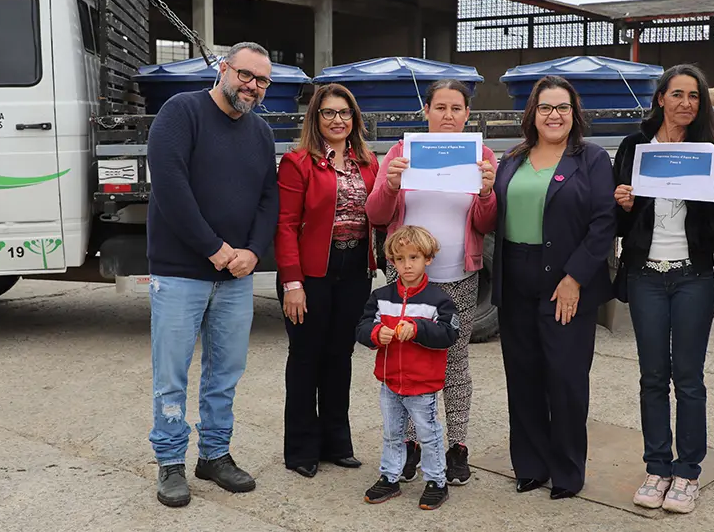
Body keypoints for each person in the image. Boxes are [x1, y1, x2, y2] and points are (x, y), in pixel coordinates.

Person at [146, 41, 278, 508]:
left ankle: (215, 454)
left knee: (225, 373)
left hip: (236, 277)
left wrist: (254, 253)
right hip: (181, 273)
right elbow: (169, 185)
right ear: (224, 69)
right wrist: (216, 249)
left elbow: (269, 199)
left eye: (263, 81)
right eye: (246, 75)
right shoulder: (181, 113)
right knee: (172, 374)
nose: (254, 86)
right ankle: (170, 463)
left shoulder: (260, 133)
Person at [612, 64, 714, 514]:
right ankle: (656, 466)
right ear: (661, 98)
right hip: (646, 275)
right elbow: (622, 222)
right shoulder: (635, 147)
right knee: (652, 377)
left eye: (694, 96)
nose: (686, 103)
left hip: (692, 276)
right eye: (678, 94)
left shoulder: (710, 151)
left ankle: (687, 473)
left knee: (688, 378)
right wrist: (623, 204)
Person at [365, 78, 497, 486]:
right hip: (406, 278)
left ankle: (456, 447)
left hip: (458, 275)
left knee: (454, 362)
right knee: (405, 359)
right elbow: (375, 213)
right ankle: (409, 446)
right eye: (440, 107)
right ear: (426, 111)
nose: (448, 116)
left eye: (456, 108)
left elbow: (487, 222)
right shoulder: (402, 153)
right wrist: (389, 184)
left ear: (467, 115)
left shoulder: (482, 155)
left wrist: (488, 192)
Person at [491, 74, 617, 500]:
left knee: (564, 381)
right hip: (516, 276)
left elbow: (603, 223)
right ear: (533, 114)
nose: (554, 115)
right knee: (522, 377)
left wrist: (575, 277)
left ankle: (566, 472)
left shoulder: (592, 159)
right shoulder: (512, 159)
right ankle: (529, 465)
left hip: (565, 279)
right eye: (545, 107)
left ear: (574, 113)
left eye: (562, 107)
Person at [275, 82, 380, 479]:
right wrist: (292, 283)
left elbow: (382, 210)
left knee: (340, 357)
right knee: (306, 359)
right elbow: (284, 226)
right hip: (311, 274)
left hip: (354, 272)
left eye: (345, 113)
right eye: (329, 113)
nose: (338, 120)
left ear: (354, 119)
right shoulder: (298, 162)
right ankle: (301, 448)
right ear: (315, 119)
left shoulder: (368, 162)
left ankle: (337, 443)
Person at [355, 225, 460, 511]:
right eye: (400, 259)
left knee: (428, 433)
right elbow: (363, 328)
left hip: (423, 383)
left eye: (414, 257)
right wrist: (377, 334)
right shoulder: (381, 296)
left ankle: (437, 481)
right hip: (390, 381)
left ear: (428, 259)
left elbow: (450, 334)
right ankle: (390, 476)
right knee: (391, 432)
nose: (407, 265)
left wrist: (417, 328)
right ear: (392, 262)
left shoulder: (439, 300)